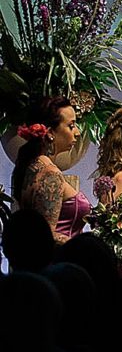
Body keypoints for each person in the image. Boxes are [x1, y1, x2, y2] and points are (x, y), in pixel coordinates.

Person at [11, 98, 88, 243]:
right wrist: (85, 247)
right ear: (51, 132)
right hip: (58, 261)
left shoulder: (31, 164)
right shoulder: (50, 174)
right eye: (71, 126)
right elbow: (45, 237)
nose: (77, 133)